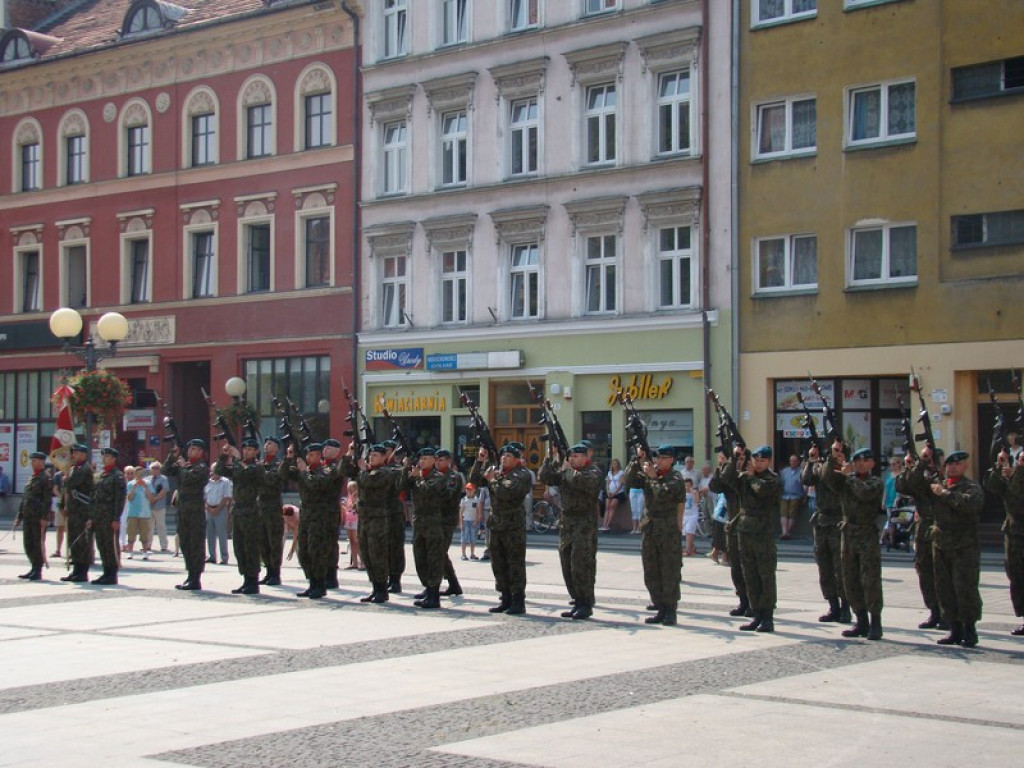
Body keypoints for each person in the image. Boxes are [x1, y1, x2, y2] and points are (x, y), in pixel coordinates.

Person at [823, 444, 885, 640]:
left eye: (865, 460)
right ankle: (861, 621)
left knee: (870, 579)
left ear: (873, 463)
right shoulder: (846, 481)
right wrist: (834, 457)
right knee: (850, 579)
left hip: (866, 533)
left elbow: (865, 493)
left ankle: (875, 622)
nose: (860, 464)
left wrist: (849, 477)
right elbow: (827, 478)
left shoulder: (875, 482)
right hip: (848, 533)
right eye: (857, 460)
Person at [719, 444, 780, 632]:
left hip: (763, 535)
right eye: (756, 460)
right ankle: (756, 614)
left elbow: (761, 491)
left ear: (768, 461)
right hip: (744, 533)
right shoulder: (745, 477)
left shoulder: (772, 479)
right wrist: (733, 458)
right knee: (749, 576)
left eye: (762, 460)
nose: (759, 464)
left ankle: (767, 617)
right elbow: (726, 480)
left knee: (765, 576)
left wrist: (752, 476)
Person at [540, 442, 603, 620]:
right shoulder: (566, 470)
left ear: (585, 458)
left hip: (584, 524)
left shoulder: (593, 472)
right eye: (570, 456)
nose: (571, 459)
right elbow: (545, 476)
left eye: (576, 456)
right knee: (567, 564)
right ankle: (576, 600)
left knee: (581, 564)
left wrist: (566, 468)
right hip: (567, 524)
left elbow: (579, 482)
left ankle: (586, 603)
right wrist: (551, 457)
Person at [624, 444, 686, 626]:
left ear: (672, 460)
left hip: (668, 530)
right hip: (650, 528)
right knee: (651, 570)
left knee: (669, 571)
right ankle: (659, 606)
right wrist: (637, 460)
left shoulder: (676, 478)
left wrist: (653, 479)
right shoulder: (652, 473)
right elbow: (629, 482)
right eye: (658, 457)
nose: (659, 461)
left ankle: (670, 610)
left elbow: (663, 495)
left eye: (664, 458)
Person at [470, 443, 534, 615]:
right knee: (498, 563)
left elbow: (506, 493)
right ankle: (505, 598)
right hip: (496, 524)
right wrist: (480, 461)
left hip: (513, 526)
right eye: (502, 456)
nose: (504, 459)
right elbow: (474, 481)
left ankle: (518, 600)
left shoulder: (521, 474)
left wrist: (492, 479)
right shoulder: (498, 473)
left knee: (514, 563)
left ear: (516, 459)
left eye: (508, 456)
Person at [929, 450, 985, 647]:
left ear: (965, 466)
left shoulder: (971, 487)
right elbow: (910, 487)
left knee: (965, 588)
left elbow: (970, 505)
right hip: (942, 544)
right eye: (949, 464)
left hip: (964, 546)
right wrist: (924, 461)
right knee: (944, 589)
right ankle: (954, 629)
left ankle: (970, 629)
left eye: (957, 464)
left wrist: (945, 494)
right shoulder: (938, 485)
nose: (952, 467)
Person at [287, 442, 347, 599]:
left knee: (317, 551)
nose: (308, 458)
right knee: (304, 551)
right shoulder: (306, 470)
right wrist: (289, 458)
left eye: (311, 454)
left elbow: (317, 484)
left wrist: (303, 472)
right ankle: (312, 582)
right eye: (307, 455)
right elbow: (285, 474)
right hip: (306, 515)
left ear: (319, 456)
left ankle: (320, 584)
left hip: (321, 516)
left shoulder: (328, 470)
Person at [896, 446, 945, 630]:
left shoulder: (944, 479)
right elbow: (902, 486)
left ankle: (948, 613)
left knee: (943, 574)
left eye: (931, 460)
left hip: (943, 531)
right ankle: (934, 611)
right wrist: (915, 465)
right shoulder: (921, 479)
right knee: (924, 572)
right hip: (924, 530)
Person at [345, 442, 401, 604]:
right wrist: (350, 454)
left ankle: (382, 590)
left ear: (384, 457)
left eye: (375, 455)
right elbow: (345, 471)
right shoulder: (367, 471)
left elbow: (369, 482)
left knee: (377, 554)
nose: (371, 458)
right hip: (364, 517)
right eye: (370, 455)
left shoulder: (386, 472)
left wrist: (362, 470)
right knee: (367, 554)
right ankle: (375, 587)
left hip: (378, 518)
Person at [803, 444, 851, 623]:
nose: (836, 455)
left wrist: (831, 461)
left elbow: (830, 479)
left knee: (841, 569)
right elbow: (806, 479)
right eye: (833, 452)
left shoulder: (846, 471)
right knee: (825, 568)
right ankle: (833, 606)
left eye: (839, 452)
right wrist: (811, 460)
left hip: (838, 522)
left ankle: (846, 606)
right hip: (822, 523)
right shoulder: (821, 467)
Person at [402, 446, 449, 609]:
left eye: (426, 459)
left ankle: (434, 595)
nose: (422, 462)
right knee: (420, 558)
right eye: (420, 459)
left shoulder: (439, 477)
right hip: (419, 522)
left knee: (433, 559)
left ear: (434, 461)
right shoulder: (417, 475)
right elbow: (401, 486)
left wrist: (416, 479)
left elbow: (428, 491)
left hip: (433, 523)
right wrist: (406, 468)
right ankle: (427, 590)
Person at [984, 448, 1024, 636]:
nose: (1020, 464)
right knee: (1016, 576)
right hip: (1014, 534)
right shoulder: (1014, 479)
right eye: (1020, 461)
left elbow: (1017, 501)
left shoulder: (1018, 479)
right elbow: (992, 486)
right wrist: (999, 466)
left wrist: (1018, 474)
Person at [164, 439, 209, 591]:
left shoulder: (201, 467)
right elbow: (166, 471)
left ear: (201, 452)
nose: (190, 451)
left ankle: (196, 578)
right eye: (189, 448)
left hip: (195, 512)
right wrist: (173, 456)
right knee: (185, 543)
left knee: (195, 544)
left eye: (194, 448)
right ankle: (190, 574)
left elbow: (191, 479)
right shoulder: (185, 465)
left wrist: (183, 466)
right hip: (182, 511)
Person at [220, 439, 264, 595]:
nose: (246, 452)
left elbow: (245, 474)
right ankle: (246, 579)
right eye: (244, 449)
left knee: (250, 547)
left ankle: (253, 581)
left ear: (256, 452)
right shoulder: (239, 466)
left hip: (251, 511)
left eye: (250, 449)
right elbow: (221, 471)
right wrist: (225, 456)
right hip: (238, 510)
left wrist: (237, 458)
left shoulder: (258, 467)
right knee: (239, 547)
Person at [709, 448, 749, 617]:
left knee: (750, 570)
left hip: (750, 531)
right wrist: (722, 466)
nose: (738, 461)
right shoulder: (729, 475)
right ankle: (743, 602)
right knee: (736, 569)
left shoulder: (750, 477)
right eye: (735, 458)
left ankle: (755, 604)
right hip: (733, 529)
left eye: (740, 458)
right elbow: (715, 486)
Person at [90, 447, 126, 585]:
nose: (103, 458)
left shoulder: (117, 476)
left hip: (110, 516)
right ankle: (105, 572)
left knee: (110, 545)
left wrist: (116, 517)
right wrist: (92, 516)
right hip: (99, 516)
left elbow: (120, 498)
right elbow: (95, 497)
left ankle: (112, 574)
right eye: (103, 456)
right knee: (101, 544)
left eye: (107, 456)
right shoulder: (101, 475)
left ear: (113, 459)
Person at [15, 452, 51, 581]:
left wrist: (44, 517)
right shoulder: (32, 477)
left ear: (41, 462)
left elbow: (47, 500)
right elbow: (25, 498)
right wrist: (19, 516)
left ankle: (38, 569)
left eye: (35, 460)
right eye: (32, 460)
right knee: (28, 543)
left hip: (37, 517)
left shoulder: (45, 478)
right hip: (28, 516)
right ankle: (33, 566)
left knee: (37, 543)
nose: (32, 463)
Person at [61, 443, 94, 583]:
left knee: (82, 542)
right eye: (73, 453)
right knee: (73, 541)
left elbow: (72, 484)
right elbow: (67, 489)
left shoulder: (85, 469)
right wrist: (63, 505)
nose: (73, 455)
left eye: (76, 453)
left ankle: (82, 572)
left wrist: (66, 477)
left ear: (83, 454)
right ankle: (76, 570)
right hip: (74, 510)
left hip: (82, 510)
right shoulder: (75, 468)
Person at [257, 436, 286, 586]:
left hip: (273, 507)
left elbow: (271, 480)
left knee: (274, 541)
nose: (267, 446)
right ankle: (268, 570)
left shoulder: (278, 465)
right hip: (261, 507)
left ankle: (275, 573)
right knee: (263, 541)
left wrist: (260, 468)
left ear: (277, 448)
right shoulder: (261, 464)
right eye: (266, 443)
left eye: (270, 444)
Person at [436, 448, 465, 597]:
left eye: (441, 460)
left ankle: (434, 585)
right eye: (436, 460)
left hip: (447, 519)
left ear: (448, 461)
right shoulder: (436, 476)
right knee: (439, 552)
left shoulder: (453, 477)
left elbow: (447, 496)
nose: (437, 463)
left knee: (439, 552)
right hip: (435, 519)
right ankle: (453, 584)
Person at [123, 466, 155, 560]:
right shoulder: (130, 484)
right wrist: (134, 487)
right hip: (133, 512)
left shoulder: (148, 483)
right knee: (131, 533)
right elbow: (129, 498)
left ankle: (145, 553)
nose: (139, 475)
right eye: (137, 473)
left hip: (145, 513)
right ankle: (130, 552)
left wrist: (145, 487)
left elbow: (151, 499)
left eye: (141, 473)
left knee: (144, 534)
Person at [204, 464, 232, 566]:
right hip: (209, 510)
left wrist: (217, 509)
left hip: (220, 509)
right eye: (213, 470)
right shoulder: (207, 482)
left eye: (217, 469)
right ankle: (212, 556)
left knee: (222, 534)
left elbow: (226, 497)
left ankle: (224, 557)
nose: (215, 472)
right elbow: (204, 497)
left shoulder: (225, 482)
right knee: (210, 534)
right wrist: (208, 508)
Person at [779, 454, 805, 540]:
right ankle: (784, 532)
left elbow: (805, 484)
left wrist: (805, 496)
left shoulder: (801, 471)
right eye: (791, 461)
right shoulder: (784, 471)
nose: (792, 462)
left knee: (791, 514)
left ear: (798, 462)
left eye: (794, 461)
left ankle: (787, 532)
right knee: (783, 513)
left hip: (796, 495)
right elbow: (780, 482)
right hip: (784, 495)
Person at [147, 461, 171, 553]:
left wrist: (155, 498)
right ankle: (148, 545)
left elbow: (164, 490)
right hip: (149, 506)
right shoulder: (147, 479)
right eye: (153, 468)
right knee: (149, 526)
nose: (155, 470)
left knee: (161, 526)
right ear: (150, 469)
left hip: (159, 505)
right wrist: (150, 499)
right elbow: (145, 490)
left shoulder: (163, 479)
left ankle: (164, 545)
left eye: (157, 468)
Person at [600, 458, 625, 532]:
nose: (614, 465)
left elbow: (621, 484)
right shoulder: (609, 473)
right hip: (610, 492)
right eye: (613, 464)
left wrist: (615, 492)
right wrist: (608, 491)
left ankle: (607, 525)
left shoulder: (621, 473)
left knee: (612, 507)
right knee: (607, 507)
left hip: (618, 493)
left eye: (616, 464)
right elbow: (607, 483)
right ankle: (604, 525)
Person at [342, 480, 362, 570]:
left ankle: (362, 562)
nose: (349, 491)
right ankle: (354, 563)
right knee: (351, 541)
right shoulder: (349, 497)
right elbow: (347, 507)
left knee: (356, 541)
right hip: (348, 519)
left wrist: (355, 498)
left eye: (351, 489)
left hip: (356, 520)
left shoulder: (358, 496)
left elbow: (357, 506)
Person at [460, 483, 480, 561]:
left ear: (474, 490)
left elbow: (478, 511)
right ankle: (463, 554)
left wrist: (476, 520)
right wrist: (461, 523)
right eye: (467, 489)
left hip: (473, 521)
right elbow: (460, 512)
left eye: (470, 489)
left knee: (473, 539)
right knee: (464, 538)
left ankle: (472, 554)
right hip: (465, 521)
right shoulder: (463, 500)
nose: (468, 491)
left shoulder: (476, 499)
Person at [681, 477, 700, 557]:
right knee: (684, 533)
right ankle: (692, 548)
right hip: (684, 515)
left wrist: (692, 492)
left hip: (692, 515)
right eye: (685, 485)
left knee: (689, 532)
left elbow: (696, 501)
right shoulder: (682, 493)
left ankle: (688, 550)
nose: (687, 487)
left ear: (691, 485)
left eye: (688, 485)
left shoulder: (695, 492)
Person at [51, 469, 66, 559]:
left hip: (72, 505)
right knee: (59, 527)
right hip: (61, 504)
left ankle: (71, 551)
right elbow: (55, 489)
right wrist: (62, 498)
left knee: (70, 529)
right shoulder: (58, 475)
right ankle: (58, 550)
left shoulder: (74, 472)